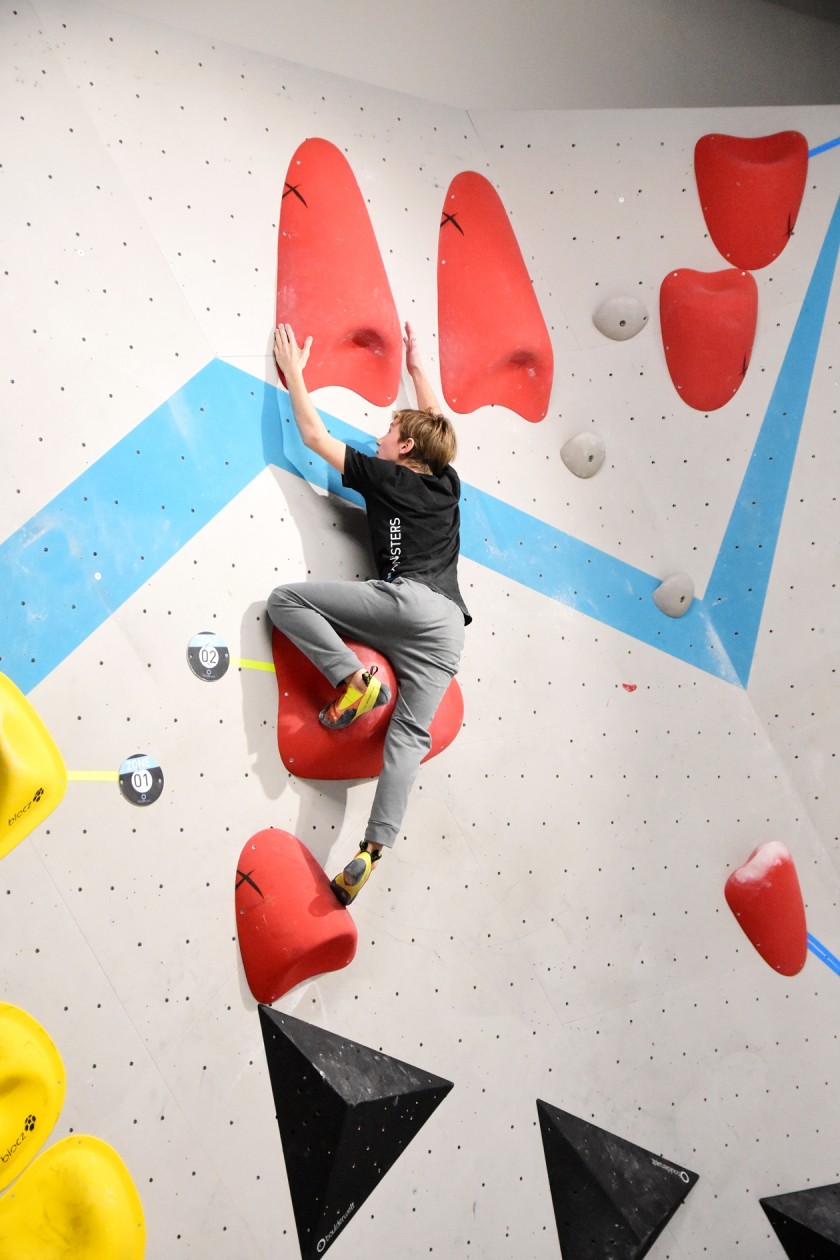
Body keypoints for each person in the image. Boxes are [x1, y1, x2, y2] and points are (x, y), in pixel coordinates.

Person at [268, 321, 471, 905]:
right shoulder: (448, 483)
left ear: (405, 449)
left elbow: (313, 436)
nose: (381, 437)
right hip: (448, 635)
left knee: (289, 600)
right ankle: (372, 850)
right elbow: (441, 428)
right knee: (408, 739)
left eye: (389, 431)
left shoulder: (385, 477)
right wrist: (416, 369)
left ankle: (350, 678)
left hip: (408, 604)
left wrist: (296, 374)